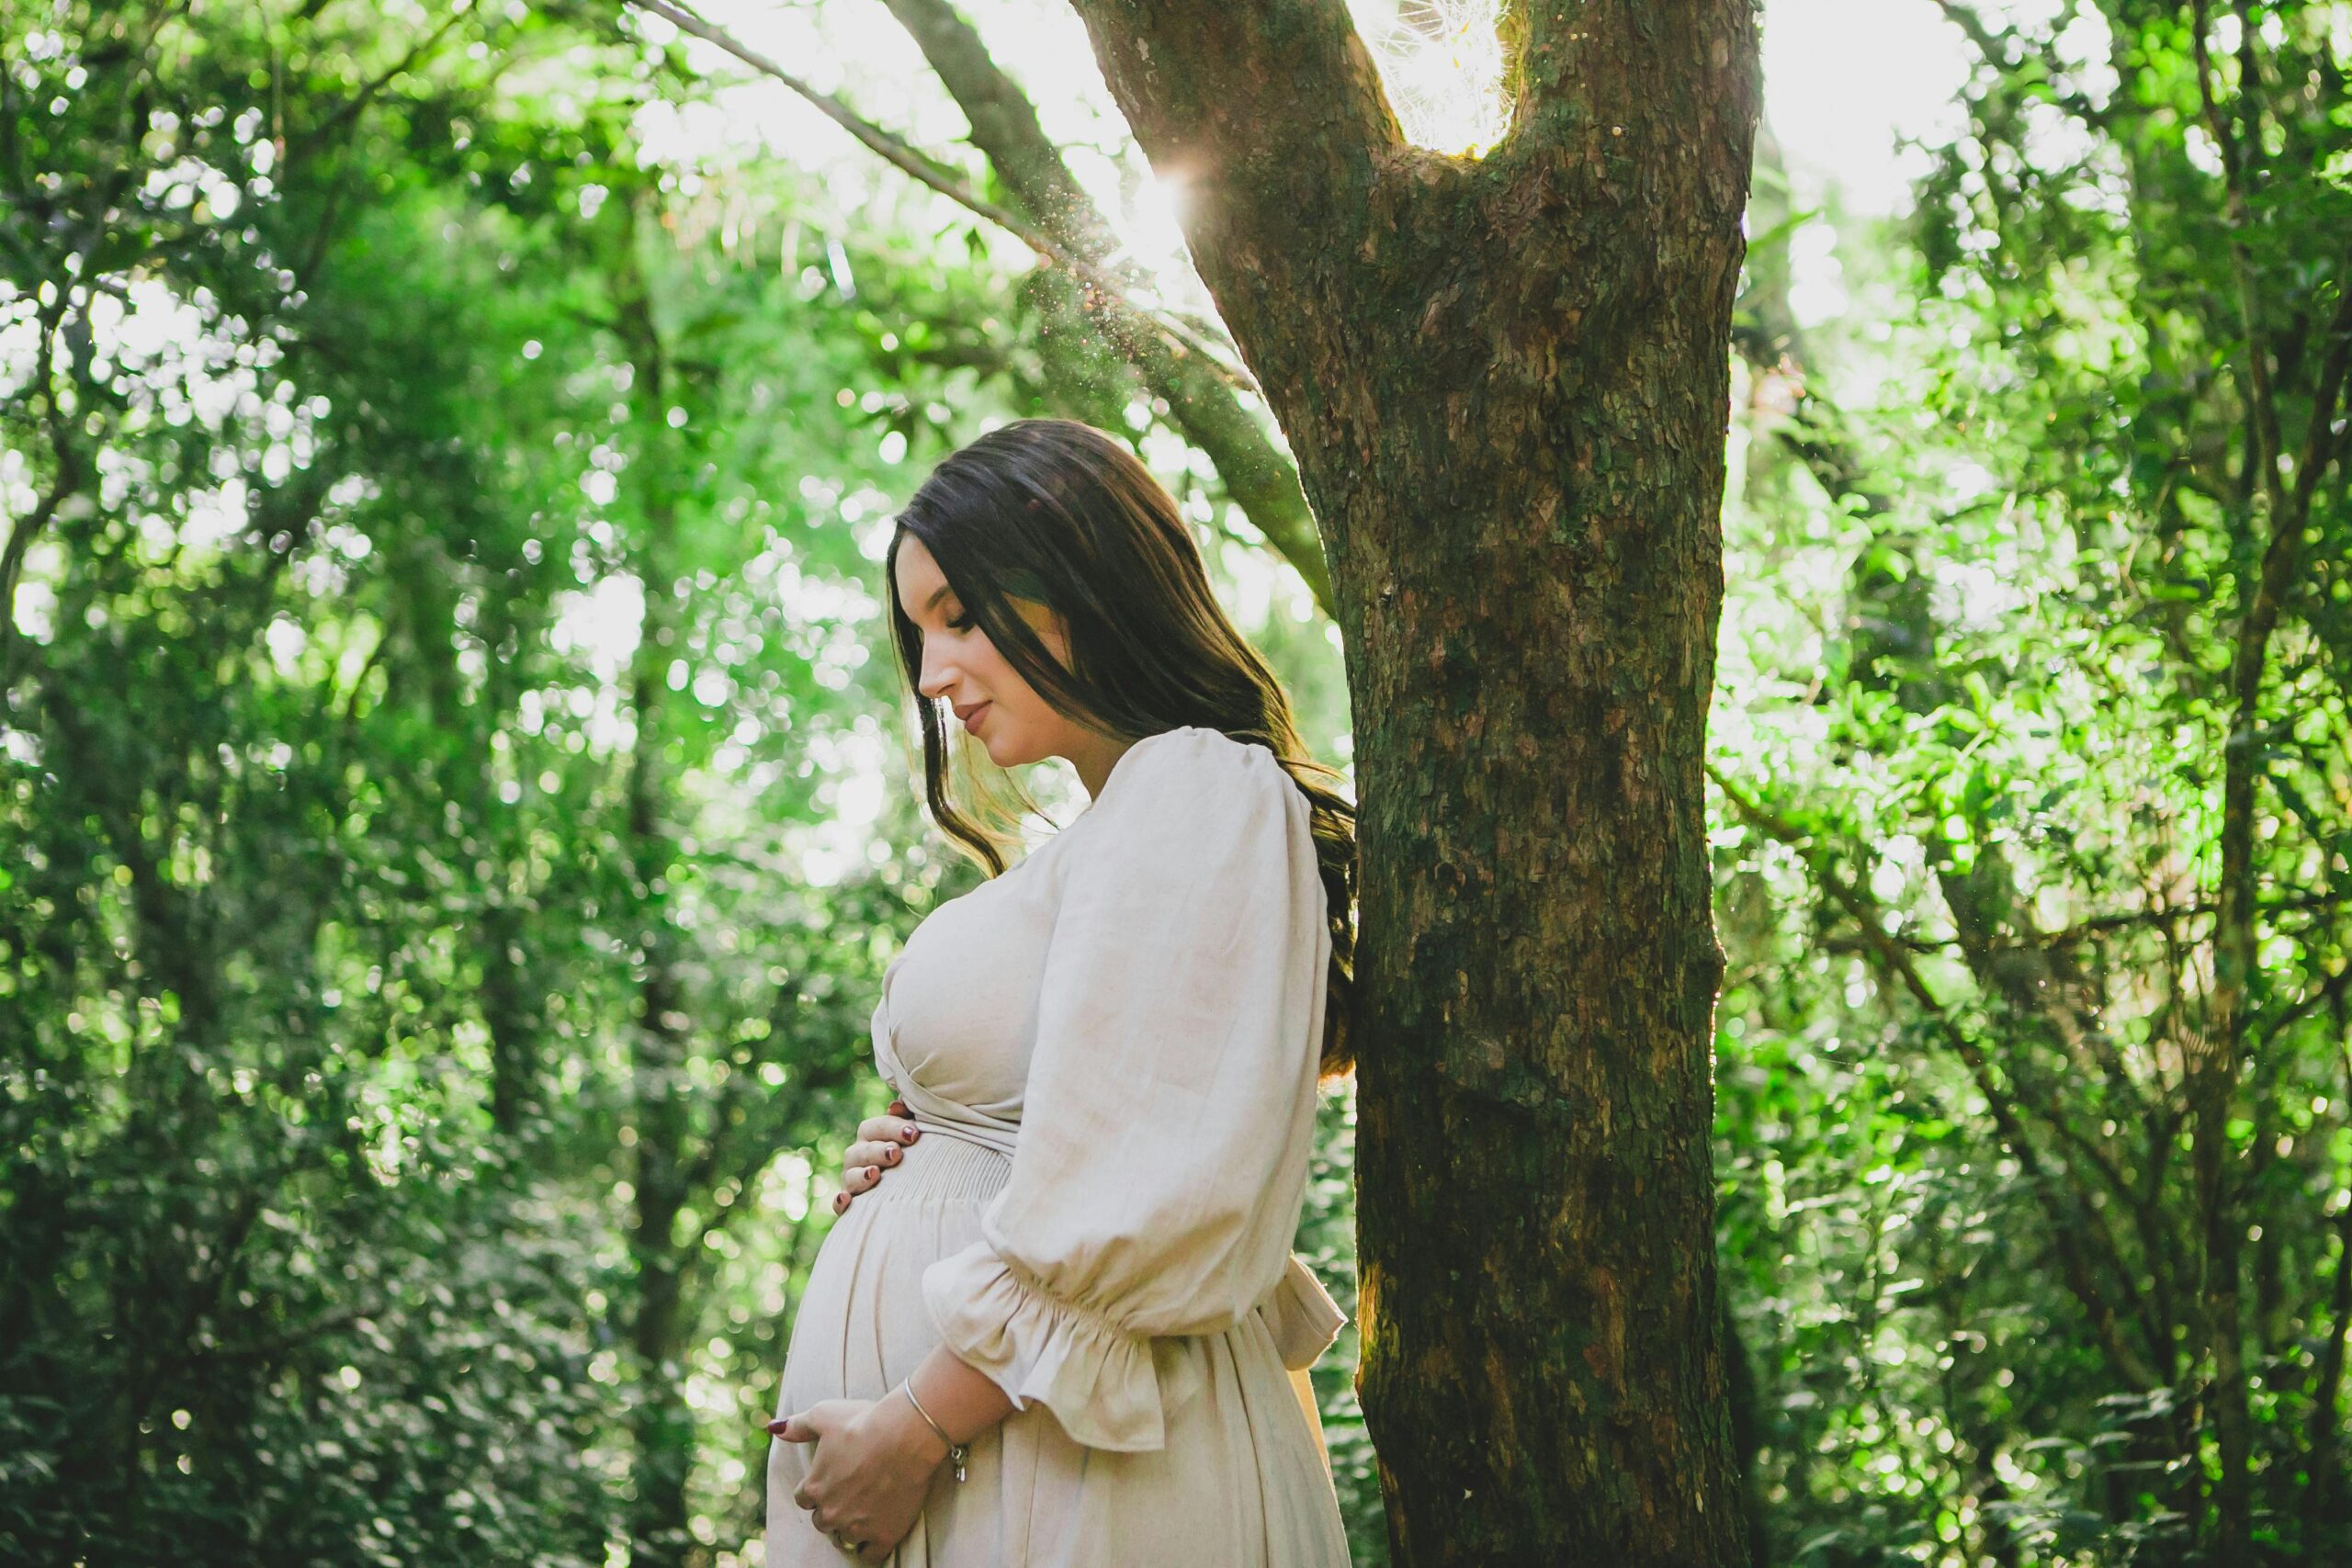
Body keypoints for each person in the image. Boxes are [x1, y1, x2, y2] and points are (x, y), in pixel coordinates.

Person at [762, 418, 1360, 1566]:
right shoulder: (1112, 835)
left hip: (1071, 1468)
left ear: (1081, 577)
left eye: (959, 616)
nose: (933, 678)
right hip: (1019, 1457)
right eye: (917, 632)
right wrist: (926, 1150)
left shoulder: (1199, 787)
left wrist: (915, 1425)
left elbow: (1153, 1197)